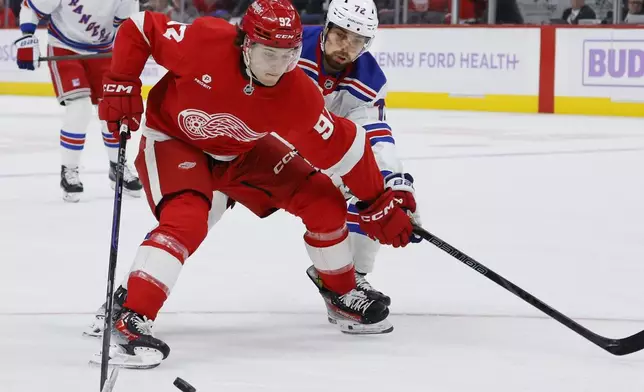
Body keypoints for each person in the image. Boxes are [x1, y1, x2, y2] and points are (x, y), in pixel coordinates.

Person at [88, 0, 417, 369]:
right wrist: (120, 82)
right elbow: (139, 27)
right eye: (267, 55)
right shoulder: (205, 42)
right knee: (188, 219)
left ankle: (341, 293)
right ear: (245, 43)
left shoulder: (298, 94)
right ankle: (131, 315)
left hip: (244, 148)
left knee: (324, 199)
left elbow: (348, 150)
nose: (276, 68)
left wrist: (379, 202)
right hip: (176, 141)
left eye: (287, 56)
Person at [295, 0, 421, 333]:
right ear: (325, 27)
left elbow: (375, 136)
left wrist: (396, 185)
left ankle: (348, 281)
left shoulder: (369, 78)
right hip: (261, 142)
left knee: (374, 193)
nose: (346, 47)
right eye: (340, 35)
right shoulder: (290, 47)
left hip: (317, 148)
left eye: (357, 41)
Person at [14, 0, 143, 202]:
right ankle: (69, 170)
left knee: (113, 108)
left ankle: (117, 165)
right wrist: (27, 36)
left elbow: (125, 24)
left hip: (104, 51)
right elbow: (31, 7)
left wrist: (132, 47)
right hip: (65, 48)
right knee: (79, 108)